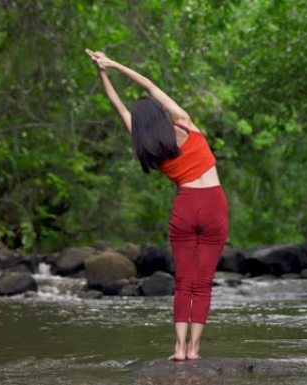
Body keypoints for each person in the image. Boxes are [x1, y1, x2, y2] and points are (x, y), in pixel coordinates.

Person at [85, 49, 228, 361]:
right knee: (202, 283)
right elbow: (149, 86)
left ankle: (178, 348)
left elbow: (117, 106)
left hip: (185, 206)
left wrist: (102, 74)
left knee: (183, 281)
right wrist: (114, 63)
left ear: (140, 125)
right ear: (161, 115)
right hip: (214, 203)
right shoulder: (185, 124)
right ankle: (194, 349)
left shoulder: (148, 145)